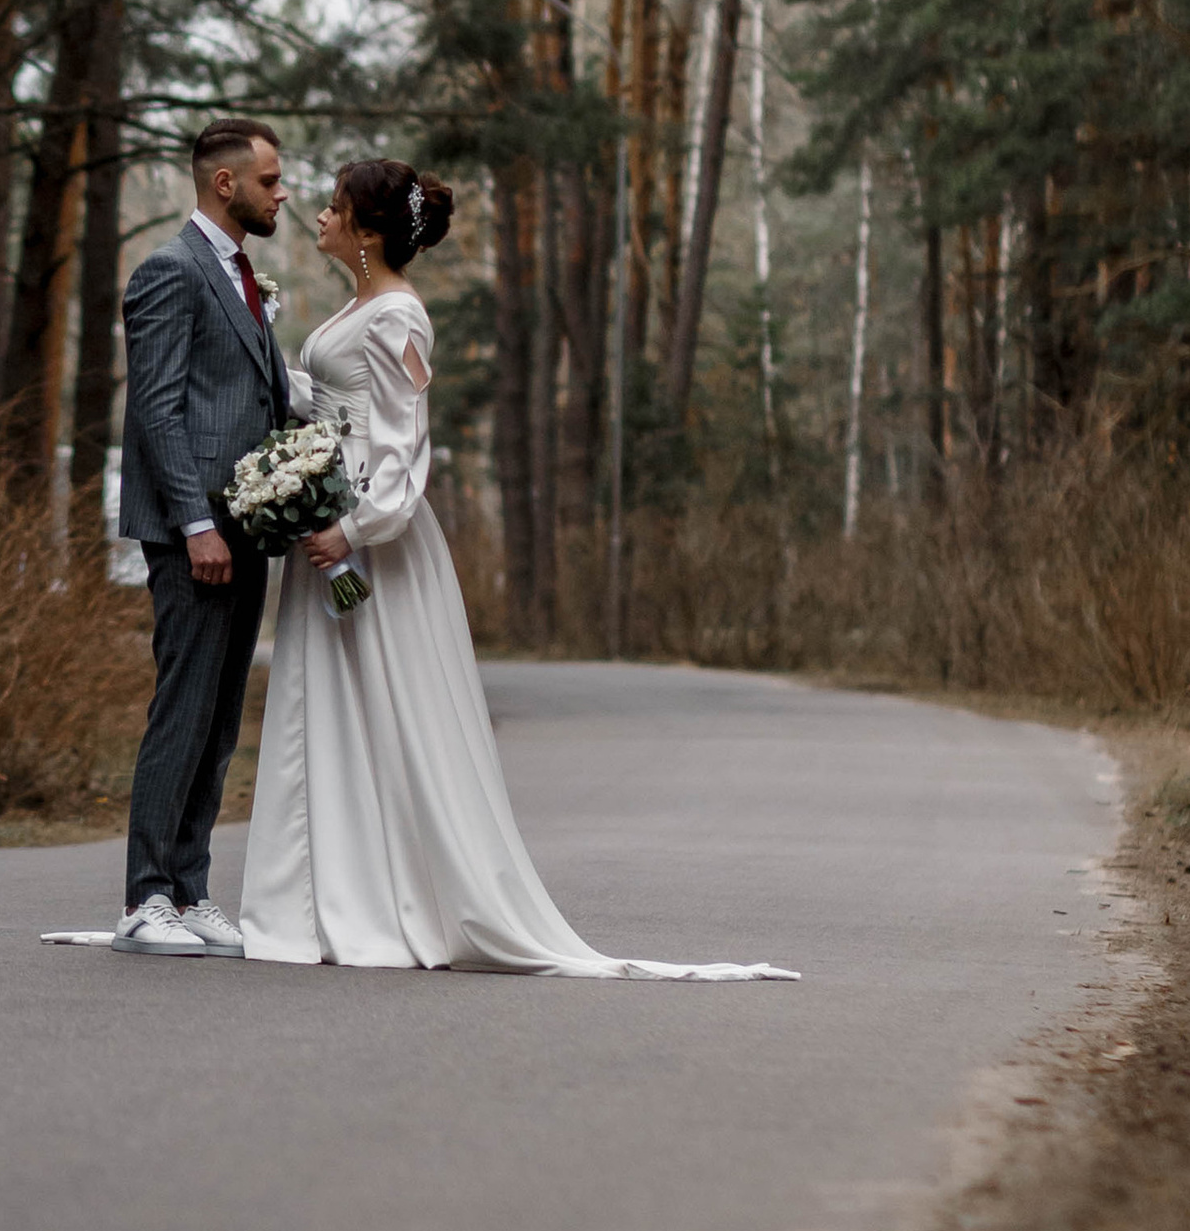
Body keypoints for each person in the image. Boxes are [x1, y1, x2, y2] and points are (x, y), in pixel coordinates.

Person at [235, 158, 791, 980]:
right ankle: (324, 896)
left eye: (334, 207)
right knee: (329, 710)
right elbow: (336, 410)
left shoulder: (398, 320)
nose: (317, 215)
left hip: (372, 547)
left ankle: (396, 899)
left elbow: (401, 442)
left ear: (368, 232)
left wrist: (355, 529)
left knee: (389, 709)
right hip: (327, 528)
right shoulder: (360, 308)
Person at [104, 118, 292, 956]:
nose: (281, 194)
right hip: (198, 536)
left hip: (247, 529)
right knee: (182, 707)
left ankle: (191, 887)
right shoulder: (169, 272)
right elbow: (157, 408)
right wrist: (196, 524)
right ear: (226, 184)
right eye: (271, 181)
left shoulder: (243, 276)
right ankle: (144, 898)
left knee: (219, 719)